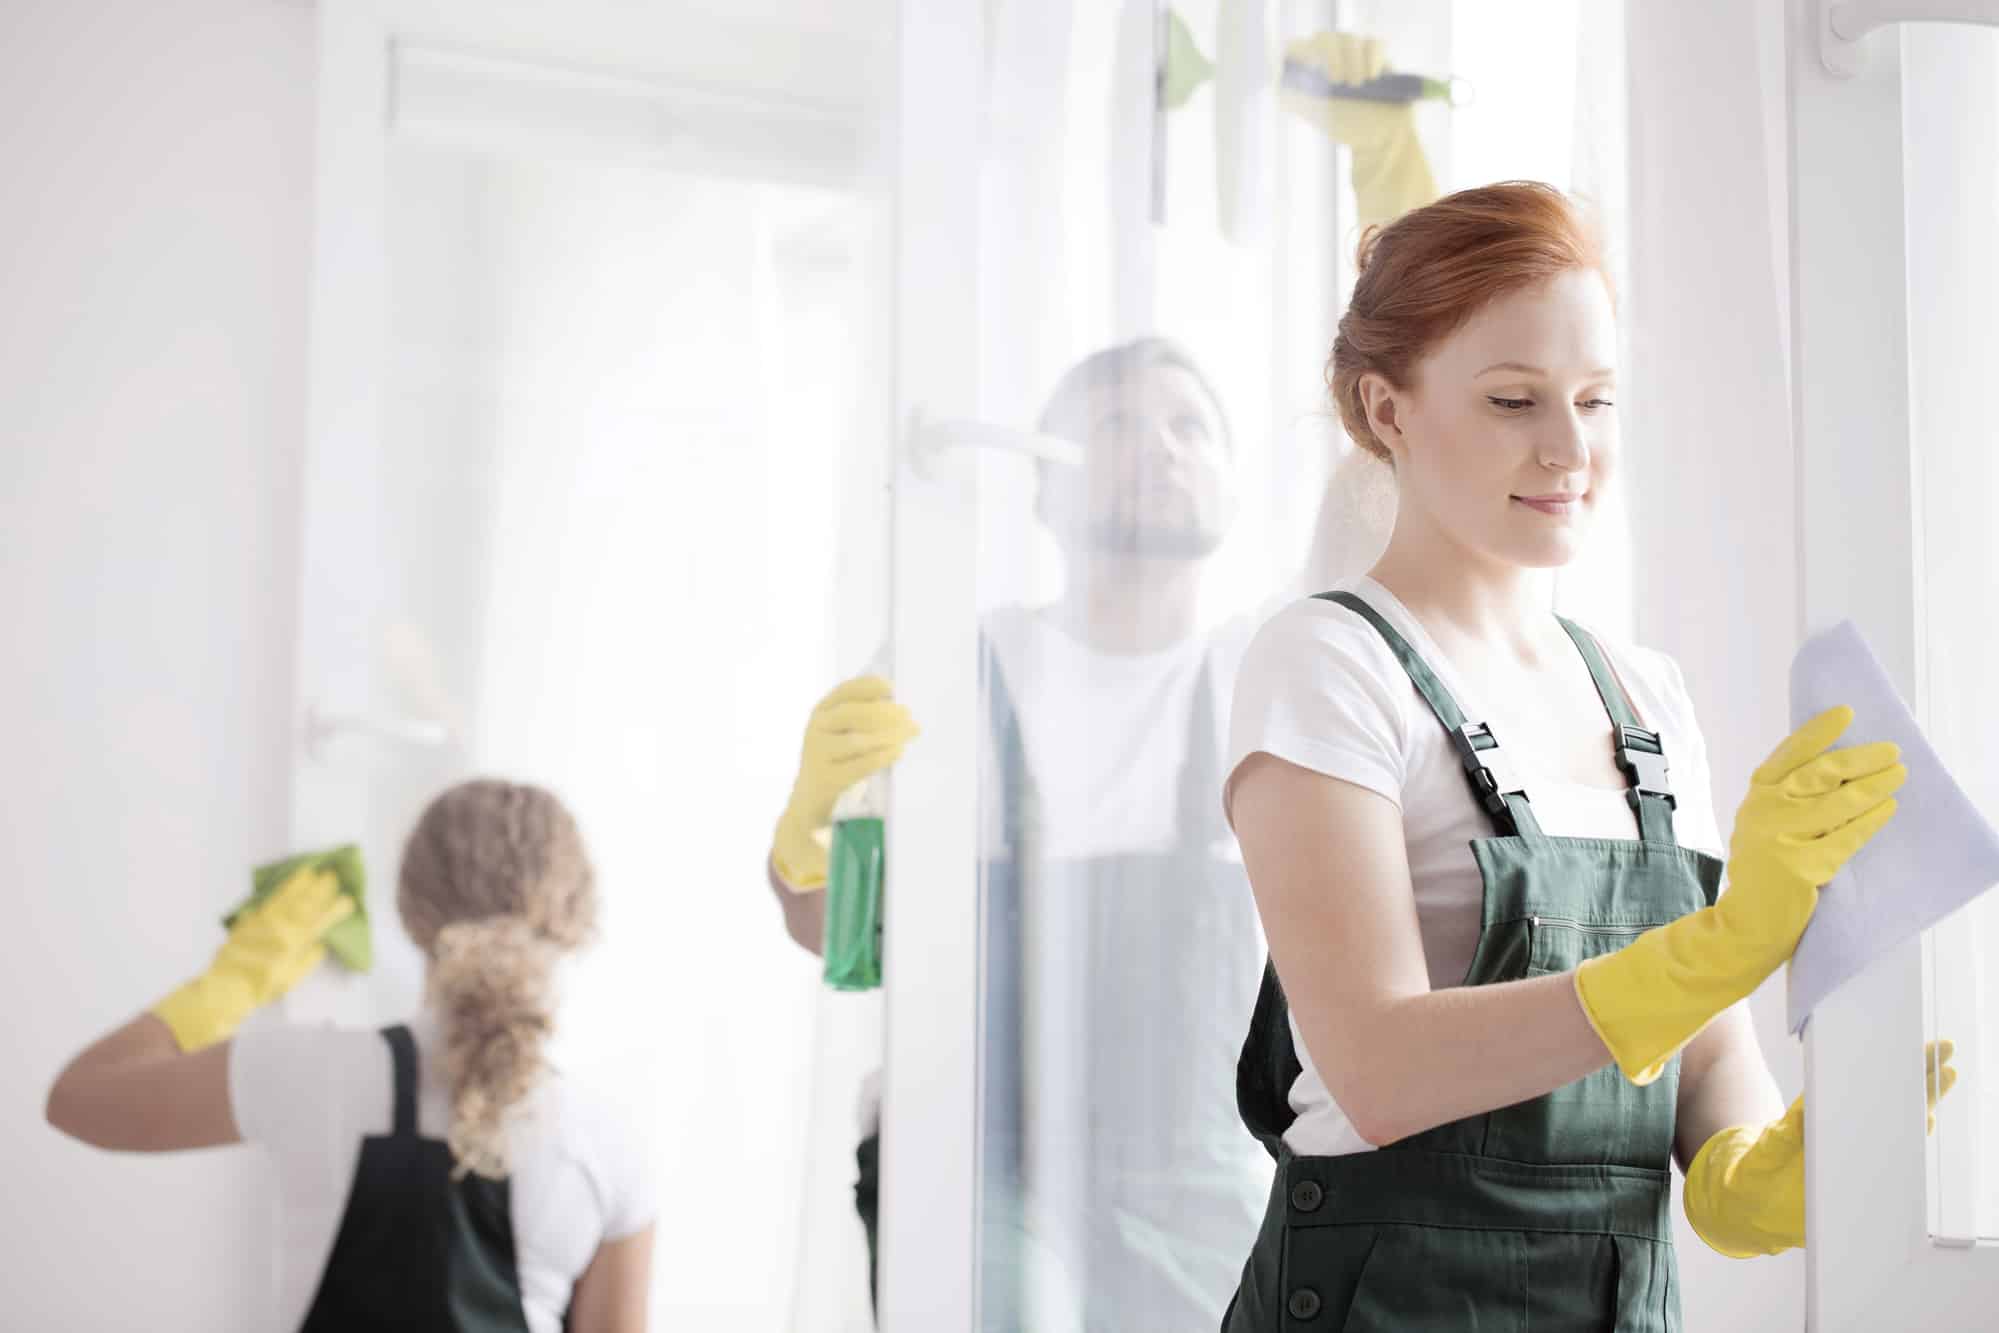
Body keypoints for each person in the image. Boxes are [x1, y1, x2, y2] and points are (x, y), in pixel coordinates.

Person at [1215, 180, 1931, 1329]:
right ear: (1386, 409)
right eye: (1512, 400)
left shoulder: (1643, 694)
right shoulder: (1324, 662)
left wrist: (1771, 1170)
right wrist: (1726, 938)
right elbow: (1377, 1065)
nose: (1568, 450)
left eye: (1595, 401)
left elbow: (1699, 1066)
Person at [768, 338, 1269, 1329]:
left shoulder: (1265, 671)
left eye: (1188, 426)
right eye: (1118, 424)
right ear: (1047, 489)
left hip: (1197, 1180)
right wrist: (806, 832)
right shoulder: (951, 667)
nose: (1160, 449)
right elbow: (840, 931)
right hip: (973, 1158)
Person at [46, 779, 657, 1333]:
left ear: (411, 910)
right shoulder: (605, 1145)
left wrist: (235, 980)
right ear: (573, 920)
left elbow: (78, 1099)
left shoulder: (310, 1075)